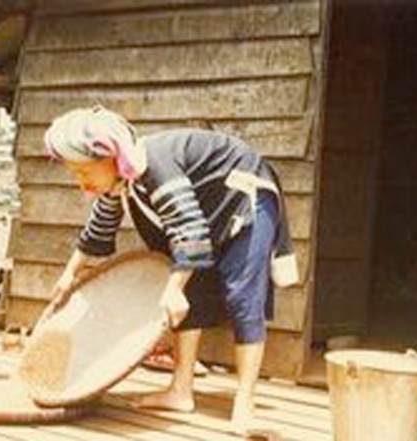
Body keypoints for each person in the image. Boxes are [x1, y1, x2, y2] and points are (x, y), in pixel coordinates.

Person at [43, 105, 299, 434]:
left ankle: (245, 402)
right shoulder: (121, 179)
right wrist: (69, 276)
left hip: (244, 193)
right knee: (186, 287)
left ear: (112, 159)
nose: (82, 183)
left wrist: (173, 288)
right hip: (204, 208)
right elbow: (98, 231)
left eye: (85, 172)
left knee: (242, 296)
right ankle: (181, 390)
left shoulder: (155, 164)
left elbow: (188, 230)